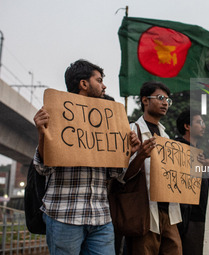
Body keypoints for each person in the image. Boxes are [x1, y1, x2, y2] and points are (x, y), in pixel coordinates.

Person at [33, 59, 140, 255]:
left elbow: (114, 174)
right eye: (99, 80)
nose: (104, 85)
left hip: (100, 217)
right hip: (64, 215)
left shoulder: (107, 120)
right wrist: (42, 132)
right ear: (84, 84)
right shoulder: (57, 114)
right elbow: (43, 168)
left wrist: (127, 152)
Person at [125, 81, 182, 255]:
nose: (165, 103)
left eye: (167, 100)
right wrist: (141, 155)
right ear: (145, 100)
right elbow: (122, 175)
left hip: (168, 211)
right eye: (160, 98)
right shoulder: (131, 131)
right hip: (144, 211)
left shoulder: (165, 136)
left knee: (175, 249)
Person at [175, 110, 209, 255]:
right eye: (199, 122)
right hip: (188, 216)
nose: (203, 126)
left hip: (201, 214)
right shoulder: (177, 147)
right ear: (187, 126)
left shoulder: (201, 153)